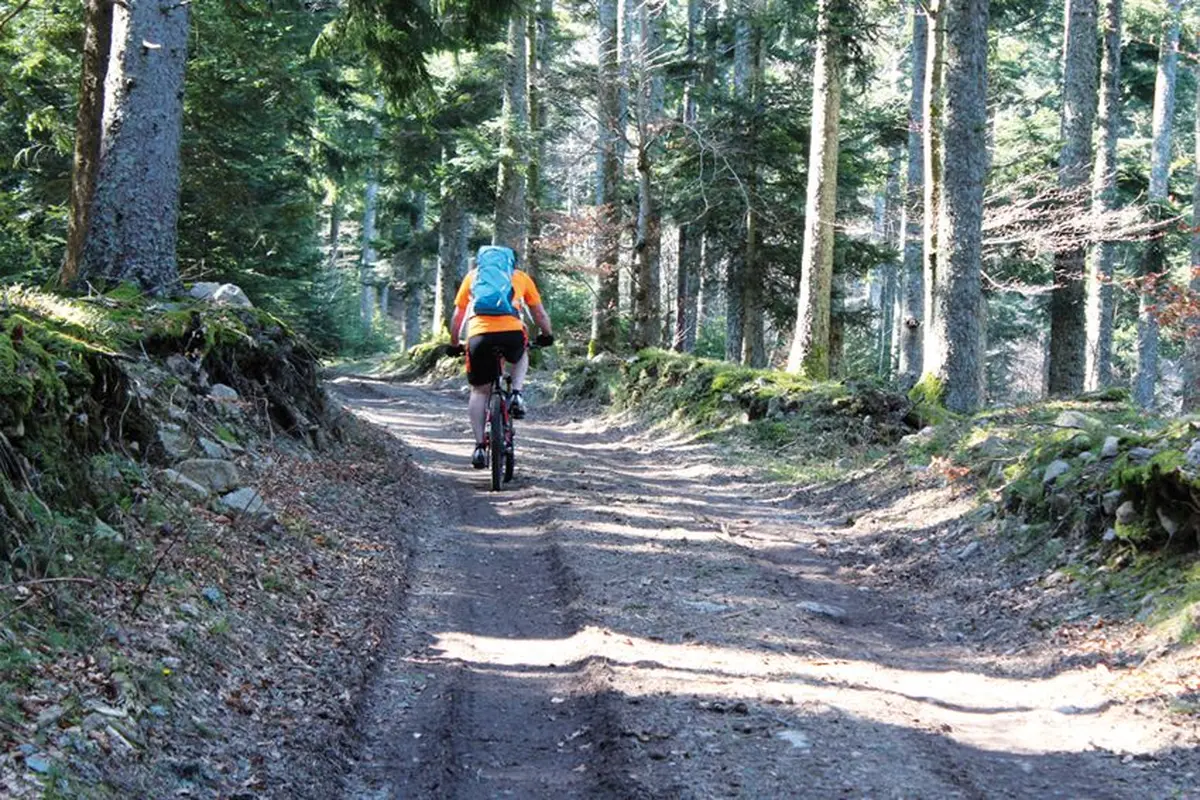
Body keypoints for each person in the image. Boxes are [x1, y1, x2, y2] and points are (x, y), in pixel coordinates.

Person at [449, 245, 553, 469]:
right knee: (522, 351)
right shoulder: (520, 277)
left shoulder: (473, 277)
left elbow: (458, 315)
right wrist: (547, 335)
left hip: (479, 336)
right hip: (512, 334)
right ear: (511, 261)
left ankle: (478, 447)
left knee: (479, 391)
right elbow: (539, 313)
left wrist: (454, 343)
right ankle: (516, 392)